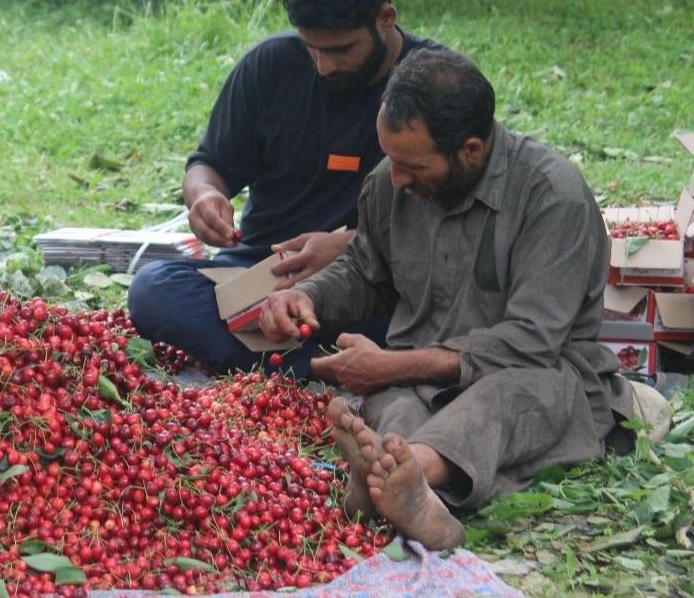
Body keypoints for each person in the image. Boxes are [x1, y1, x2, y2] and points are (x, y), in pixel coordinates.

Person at [258, 48, 657, 549]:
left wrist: (394, 364)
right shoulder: (390, 183)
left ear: (471, 151)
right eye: (391, 159)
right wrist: (307, 295)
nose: (397, 179)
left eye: (412, 166)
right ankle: (404, 483)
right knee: (395, 405)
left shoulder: (552, 197)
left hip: (539, 379)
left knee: (501, 399)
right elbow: (364, 269)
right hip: (418, 381)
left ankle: (409, 476)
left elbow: (530, 343)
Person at [128, 0, 443, 375]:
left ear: (386, 18)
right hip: (262, 273)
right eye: (311, 47)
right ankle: (320, 365)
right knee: (154, 290)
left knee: (441, 317)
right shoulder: (269, 66)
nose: (324, 66)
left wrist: (352, 247)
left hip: (375, 278)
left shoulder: (435, 84)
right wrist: (204, 196)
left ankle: (286, 360)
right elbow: (209, 165)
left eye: (340, 49)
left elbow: (456, 218)